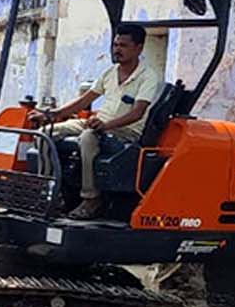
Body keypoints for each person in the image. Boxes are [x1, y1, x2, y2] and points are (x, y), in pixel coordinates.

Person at [27, 23, 161, 219]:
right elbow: (84, 101)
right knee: (45, 133)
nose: (117, 50)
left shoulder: (148, 76)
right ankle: (50, 193)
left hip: (125, 131)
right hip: (99, 123)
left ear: (138, 48)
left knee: (88, 137)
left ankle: (91, 199)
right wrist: (51, 114)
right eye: (115, 44)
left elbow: (137, 113)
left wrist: (106, 126)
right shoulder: (109, 73)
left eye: (123, 45)